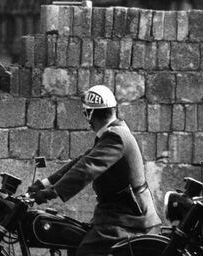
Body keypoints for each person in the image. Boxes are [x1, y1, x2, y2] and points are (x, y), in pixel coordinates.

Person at [28, 85, 161, 254]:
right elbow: (81, 161)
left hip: (129, 219)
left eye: (85, 113)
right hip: (116, 214)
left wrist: (52, 192)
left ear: (90, 114)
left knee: (85, 252)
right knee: (73, 240)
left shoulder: (116, 137)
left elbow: (86, 169)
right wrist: (43, 184)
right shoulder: (113, 134)